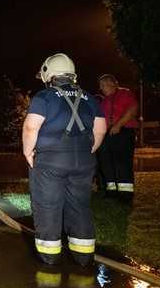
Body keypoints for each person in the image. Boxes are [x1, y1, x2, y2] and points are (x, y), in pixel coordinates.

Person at [22, 53, 107, 266]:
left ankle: (49, 256)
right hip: (83, 162)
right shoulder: (89, 98)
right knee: (79, 205)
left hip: (50, 162)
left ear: (48, 73)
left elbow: (31, 126)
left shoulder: (44, 97)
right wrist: (89, 151)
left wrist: (27, 151)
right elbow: (101, 130)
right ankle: (83, 255)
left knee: (48, 205)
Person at [96, 74, 138, 201]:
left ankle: (125, 194)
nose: (101, 88)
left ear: (113, 83)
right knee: (106, 162)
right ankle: (111, 191)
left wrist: (118, 125)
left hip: (124, 131)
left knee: (122, 162)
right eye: (100, 86)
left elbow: (132, 109)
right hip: (108, 134)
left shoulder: (125, 93)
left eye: (103, 85)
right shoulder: (104, 101)